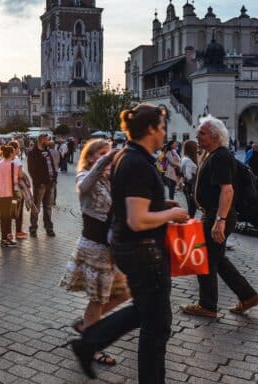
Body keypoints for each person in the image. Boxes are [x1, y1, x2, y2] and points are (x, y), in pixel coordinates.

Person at [72, 104, 189, 383]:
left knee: (148, 314)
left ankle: (90, 341)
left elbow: (129, 204)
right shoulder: (137, 163)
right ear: (150, 129)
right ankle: (90, 342)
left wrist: (160, 204)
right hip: (144, 250)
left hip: (132, 248)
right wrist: (172, 213)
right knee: (156, 324)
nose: (164, 133)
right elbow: (137, 220)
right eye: (162, 127)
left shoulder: (128, 155)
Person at [180, 116, 258, 319]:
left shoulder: (221, 156)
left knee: (206, 260)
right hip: (212, 214)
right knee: (218, 260)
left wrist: (220, 220)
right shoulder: (212, 155)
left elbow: (227, 191)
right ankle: (248, 296)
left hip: (217, 215)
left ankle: (207, 305)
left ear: (215, 136)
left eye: (202, 133)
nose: (197, 136)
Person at [61, 138, 130, 367]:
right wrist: (107, 159)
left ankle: (86, 323)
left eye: (108, 152)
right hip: (95, 247)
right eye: (100, 153)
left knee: (124, 292)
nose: (106, 157)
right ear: (90, 157)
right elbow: (84, 186)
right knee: (97, 299)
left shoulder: (110, 180)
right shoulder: (85, 176)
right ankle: (91, 346)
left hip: (111, 247)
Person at [0, 145, 25, 247]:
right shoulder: (14, 165)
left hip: (0, 194)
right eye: (13, 152)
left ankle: (3, 239)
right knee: (8, 218)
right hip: (10, 195)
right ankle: (6, 240)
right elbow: (19, 177)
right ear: (11, 154)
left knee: (3, 218)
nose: (15, 154)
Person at [27, 133, 58, 237]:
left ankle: (49, 228)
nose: (49, 141)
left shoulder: (47, 151)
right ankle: (33, 228)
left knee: (48, 207)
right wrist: (38, 182)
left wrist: (54, 178)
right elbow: (31, 170)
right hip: (40, 184)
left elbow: (51, 166)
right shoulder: (33, 153)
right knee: (36, 207)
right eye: (47, 140)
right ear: (41, 140)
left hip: (50, 183)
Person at [9, 141, 31, 239]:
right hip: (17, 190)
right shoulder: (17, 160)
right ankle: (18, 231)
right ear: (14, 149)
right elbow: (20, 175)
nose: (19, 149)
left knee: (10, 211)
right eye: (18, 148)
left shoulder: (5, 159)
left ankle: (8, 232)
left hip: (8, 190)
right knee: (18, 211)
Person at [180, 140, 199, 218]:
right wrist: (197, 175)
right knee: (192, 209)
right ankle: (190, 225)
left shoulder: (184, 158)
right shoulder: (188, 161)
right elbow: (188, 176)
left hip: (187, 187)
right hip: (191, 187)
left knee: (191, 208)